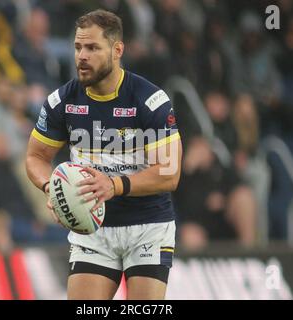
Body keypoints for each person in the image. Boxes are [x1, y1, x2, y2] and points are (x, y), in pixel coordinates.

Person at [25, 9, 182, 300]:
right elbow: (36, 157)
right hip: (92, 229)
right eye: (77, 47)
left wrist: (114, 185)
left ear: (117, 50)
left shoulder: (149, 101)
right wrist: (51, 187)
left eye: (93, 47)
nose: (82, 56)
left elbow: (170, 173)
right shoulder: (62, 102)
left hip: (147, 226)